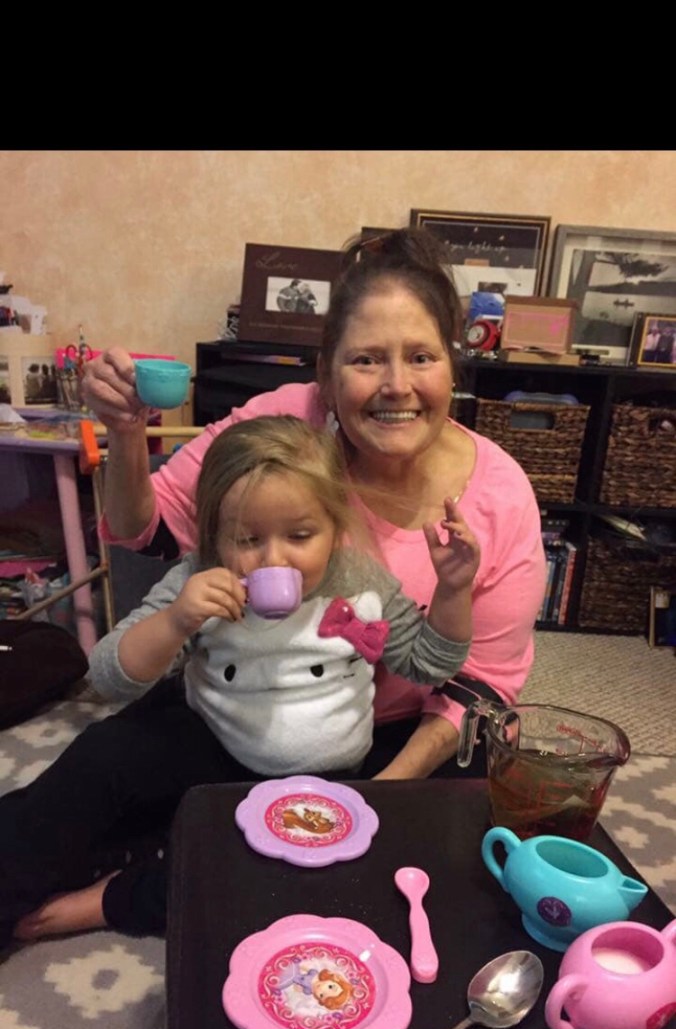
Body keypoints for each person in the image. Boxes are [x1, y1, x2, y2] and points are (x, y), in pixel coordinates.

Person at [82, 226, 547, 781]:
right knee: (96, 775)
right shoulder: (281, 428)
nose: (397, 385)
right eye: (366, 360)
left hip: (389, 735)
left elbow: (473, 678)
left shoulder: (496, 497)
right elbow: (147, 531)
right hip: (233, 712)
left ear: (452, 367)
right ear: (326, 373)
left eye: (421, 357)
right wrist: (127, 432)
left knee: (482, 810)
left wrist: (383, 792)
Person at [0, 415, 478, 946]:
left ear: (335, 526)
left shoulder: (361, 581)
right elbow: (110, 676)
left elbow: (430, 666)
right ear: (214, 535)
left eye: (300, 536)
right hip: (211, 746)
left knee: (283, 879)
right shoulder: (199, 577)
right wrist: (176, 620)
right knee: (100, 757)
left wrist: (454, 591)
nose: (273, 559)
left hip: (322, 782)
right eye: (247, 539)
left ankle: (107, 900)